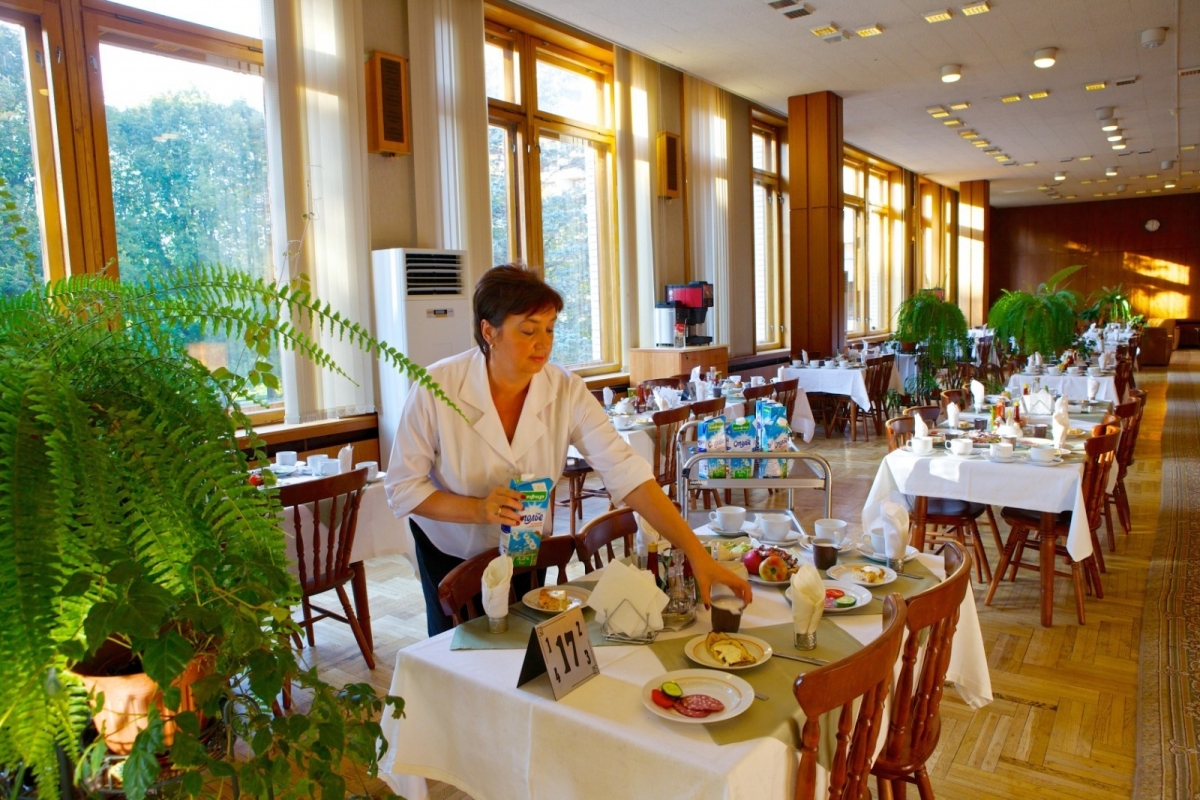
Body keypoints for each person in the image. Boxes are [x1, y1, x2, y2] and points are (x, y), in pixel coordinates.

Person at [385, 264, 752, 636]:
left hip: (525, 546)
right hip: (449, 552)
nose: (543, 343)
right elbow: (403, 487)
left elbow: (627, 472)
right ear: (489, 331)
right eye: (528, 330)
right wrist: (477, 509)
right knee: (457, 651)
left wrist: (696, 553)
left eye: (549, 329)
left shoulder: (565, 389)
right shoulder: (437, 387)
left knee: (524, 642)